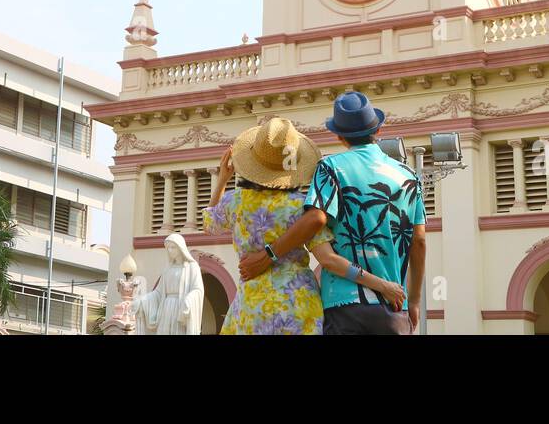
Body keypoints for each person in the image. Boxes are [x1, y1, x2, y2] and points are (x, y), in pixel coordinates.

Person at [239, 92, 426, 335]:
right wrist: (414, 301)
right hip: (393, 305)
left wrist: (268, 254)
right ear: (378, 131)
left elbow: (316, 218)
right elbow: (419, 241)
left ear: (339, 136)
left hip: (343, 307)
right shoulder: (409, 176)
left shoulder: (331, 168)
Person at [205, 116, 406, 334]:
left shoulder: (235, 202)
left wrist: (223, 181)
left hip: (253, 307)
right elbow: (329, 260)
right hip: (299, 306)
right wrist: (383, 286)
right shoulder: (303, 207)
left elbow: (210, 224)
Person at [136, 232, 205, 334]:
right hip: (166, 308)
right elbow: (158, 293)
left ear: (180, 248)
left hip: (180, 307)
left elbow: (198, 289)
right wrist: (143, 300)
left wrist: (189, 299)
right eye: (168, 248)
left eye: (173, 247)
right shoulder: (167, 269)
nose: (170, 250)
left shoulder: (192, 267)